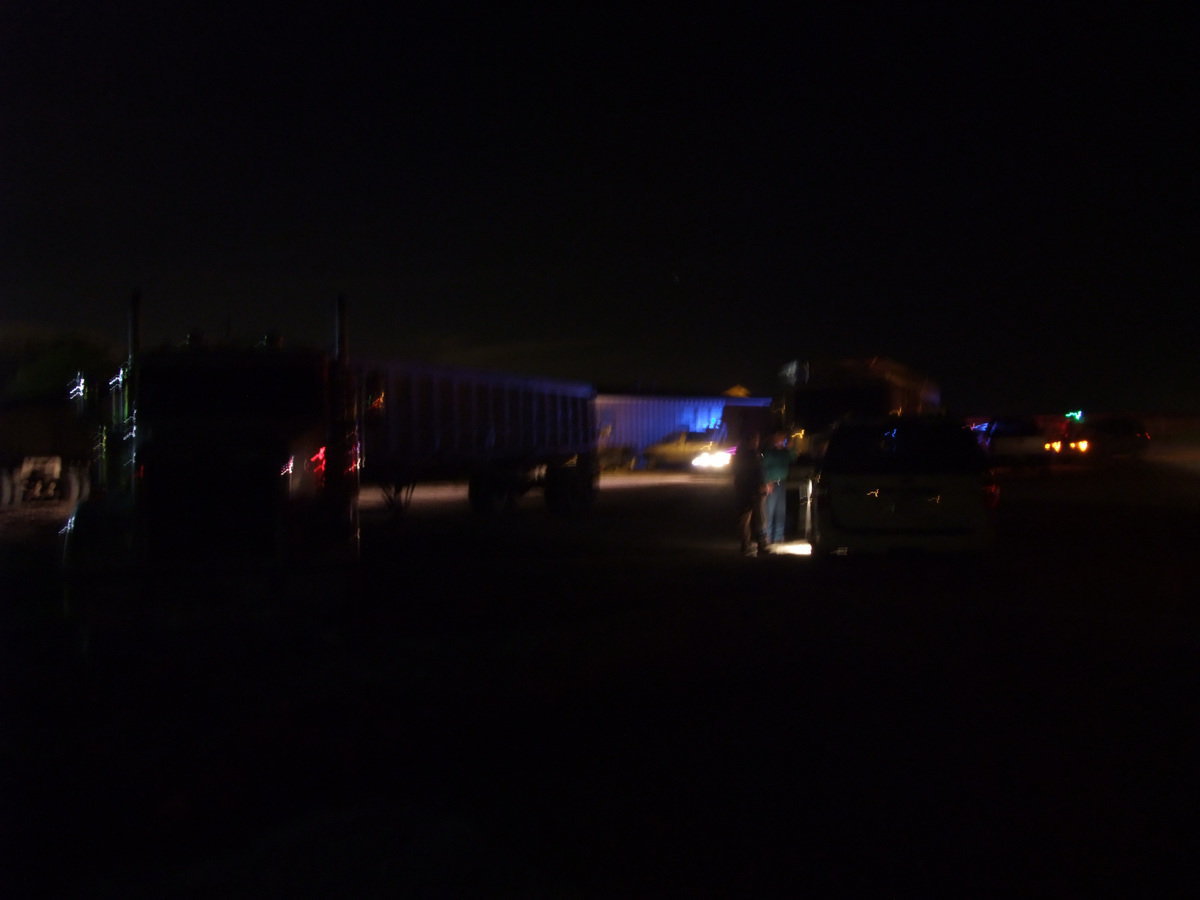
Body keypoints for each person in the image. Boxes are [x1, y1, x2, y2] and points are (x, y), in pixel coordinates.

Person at [732, 431, 768, 557]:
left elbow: (737, 473)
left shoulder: (739, 455)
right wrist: (761, 485)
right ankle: (761, 544)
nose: (757, 442)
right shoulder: (752, 455)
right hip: (753, 490)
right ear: (751, 441)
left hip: (743, 490)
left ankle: (745, 544)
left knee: (744, 518)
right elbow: (757, 473)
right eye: (756, 440)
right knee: (759, 518)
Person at [761, 430, 798, 545]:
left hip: (782, 483)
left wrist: (791, 448)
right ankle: (767, 536)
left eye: (783, 439)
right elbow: (763, 468)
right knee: (769, 511)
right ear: (774, 439)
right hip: (771, 483)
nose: (782, 441)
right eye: (780, 438)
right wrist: (767, 482)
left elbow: (793, 458)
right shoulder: (769, 453)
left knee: (780, 511)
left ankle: (778, 536)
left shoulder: (785, 452)